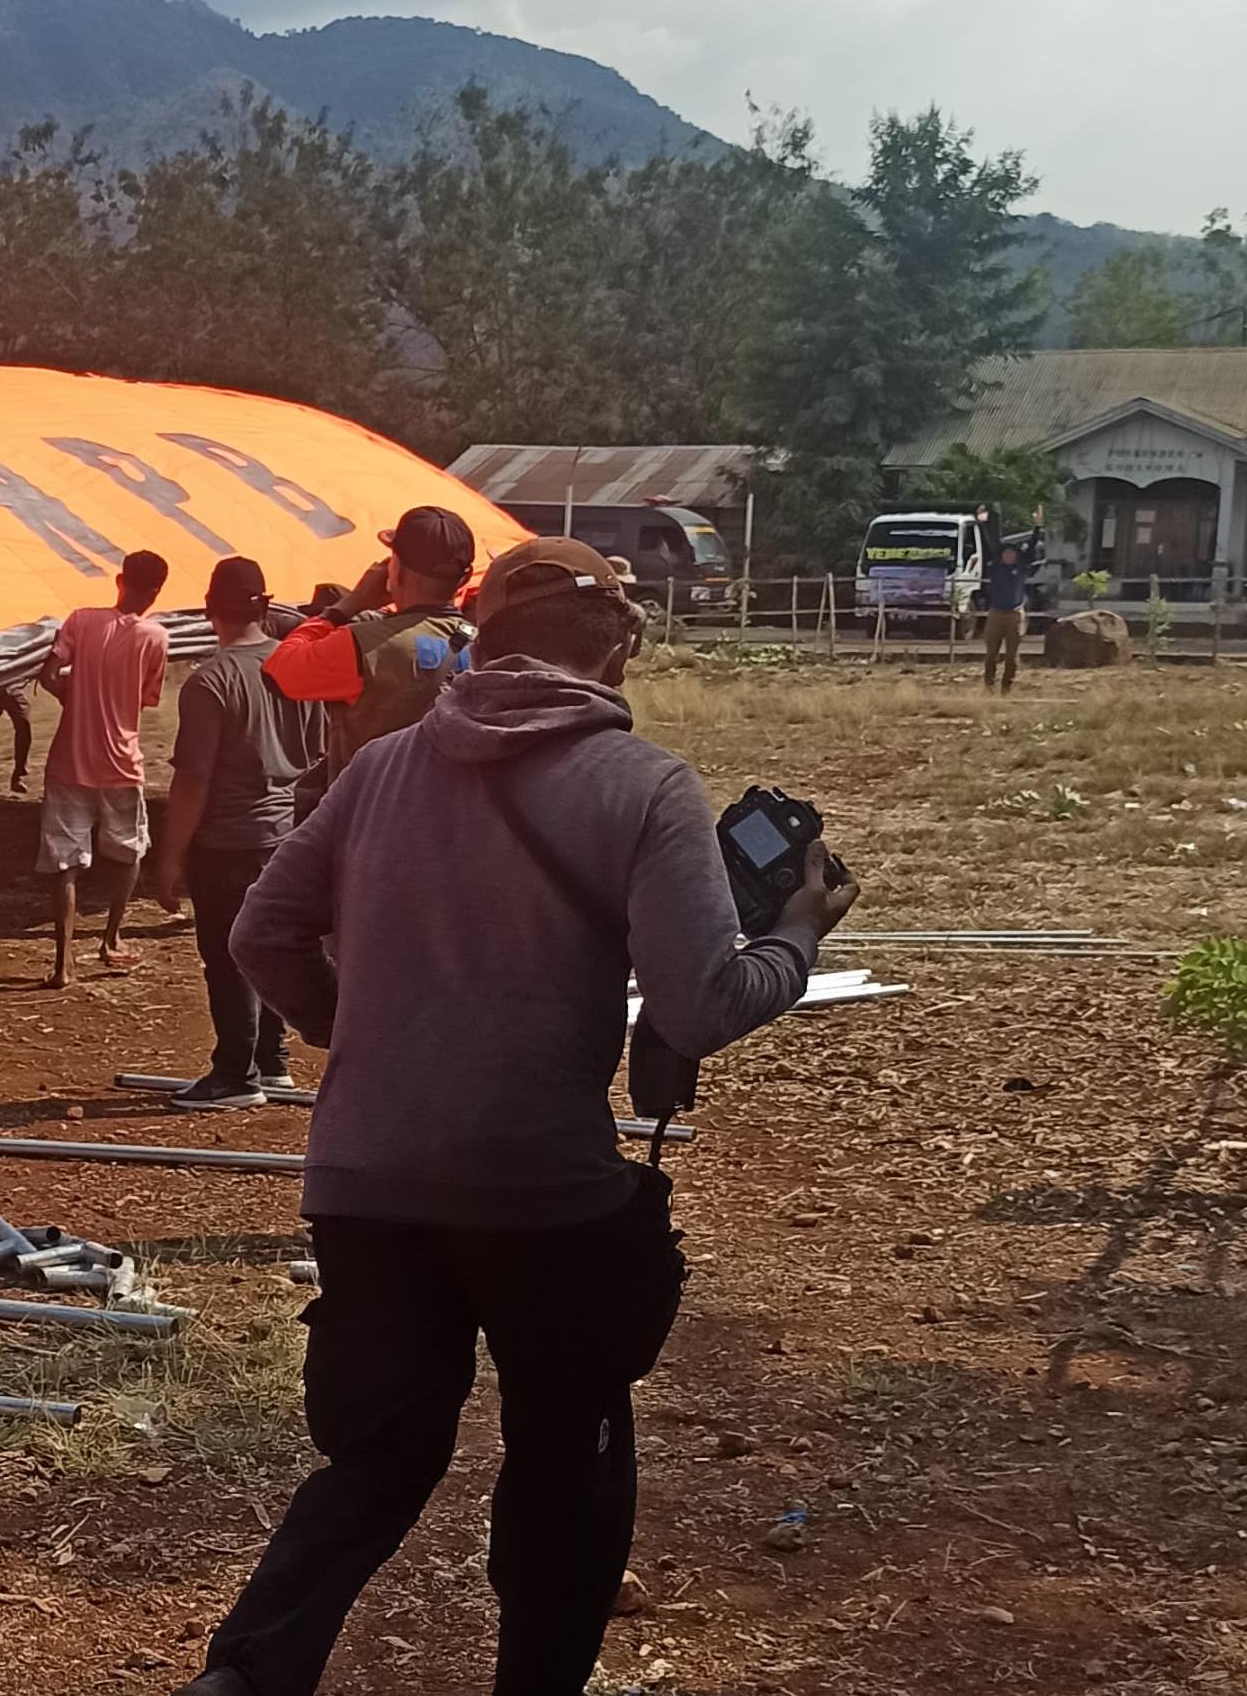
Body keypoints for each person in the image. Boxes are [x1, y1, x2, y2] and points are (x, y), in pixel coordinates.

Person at [179, 538, 859, 1696]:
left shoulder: (382, 768)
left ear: (481, 638)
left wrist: (364, 1035)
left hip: (367, 1177)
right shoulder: (643, 786)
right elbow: (698, 1007)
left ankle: (247, 1673)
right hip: (540, 1189)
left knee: (379, 1452)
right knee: (568, 1443)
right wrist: (798, 932)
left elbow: (258, 936)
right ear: (619, 646)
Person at [147, 557, 327, 1109]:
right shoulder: (299, 668)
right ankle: (272, 1062)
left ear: (208, 612)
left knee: (226, 957)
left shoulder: (209, 681)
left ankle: (234, 1073)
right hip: (285, 831)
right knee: (271, 944)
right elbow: (318, 752)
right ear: (266, 606)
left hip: (227, 839)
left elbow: (193, 779)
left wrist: (171, 856)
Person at [264, 506, 477, 819]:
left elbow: (278, 673)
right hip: (450, 824)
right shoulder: (485, 644)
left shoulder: (362, 645)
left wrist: (346, 606)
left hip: (369, 823)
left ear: (396, 567)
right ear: (465, 577)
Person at [36, 549, 172, 987]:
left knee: (66, 861)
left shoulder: (81, 620)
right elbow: (148, 698)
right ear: (157, 590)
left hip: (69, 758)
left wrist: (70, 698)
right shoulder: (156, 637)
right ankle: (111, 937)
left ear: (119, 580)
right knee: (130, 850)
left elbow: (49, 672)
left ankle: (63, 962)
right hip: (120, 760)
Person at [978, 539, 1029, 693]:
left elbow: (1031, 549)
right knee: (991, 653)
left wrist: (1037, 527)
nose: (1009, 556)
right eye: (1006, 553)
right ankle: (989, 685)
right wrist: (982, 523)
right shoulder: (996, 568)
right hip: (996, 613)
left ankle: (1007, 687)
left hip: (1015, 613)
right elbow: (989, 546)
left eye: (1012, 553)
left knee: (1011, 655)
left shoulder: (1021, 568)